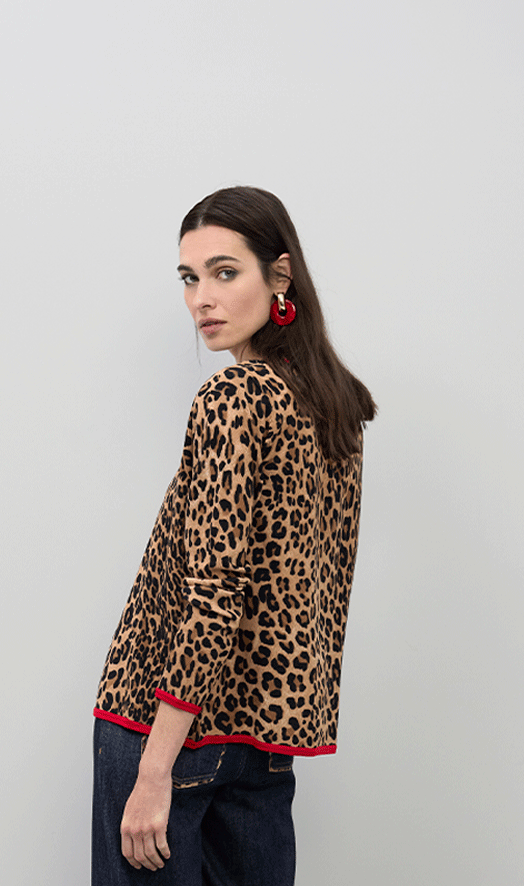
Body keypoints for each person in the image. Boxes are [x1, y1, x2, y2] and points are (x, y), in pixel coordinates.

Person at [92, 186, 376, 885]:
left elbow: (214, 594)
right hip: (263, 738)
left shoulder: (232, 398)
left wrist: (154, 771)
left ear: (280, 276)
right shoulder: (333, 406)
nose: (202, 300)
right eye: (190, 279)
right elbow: (322, 586)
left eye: (225, 272)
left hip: (163, 727)